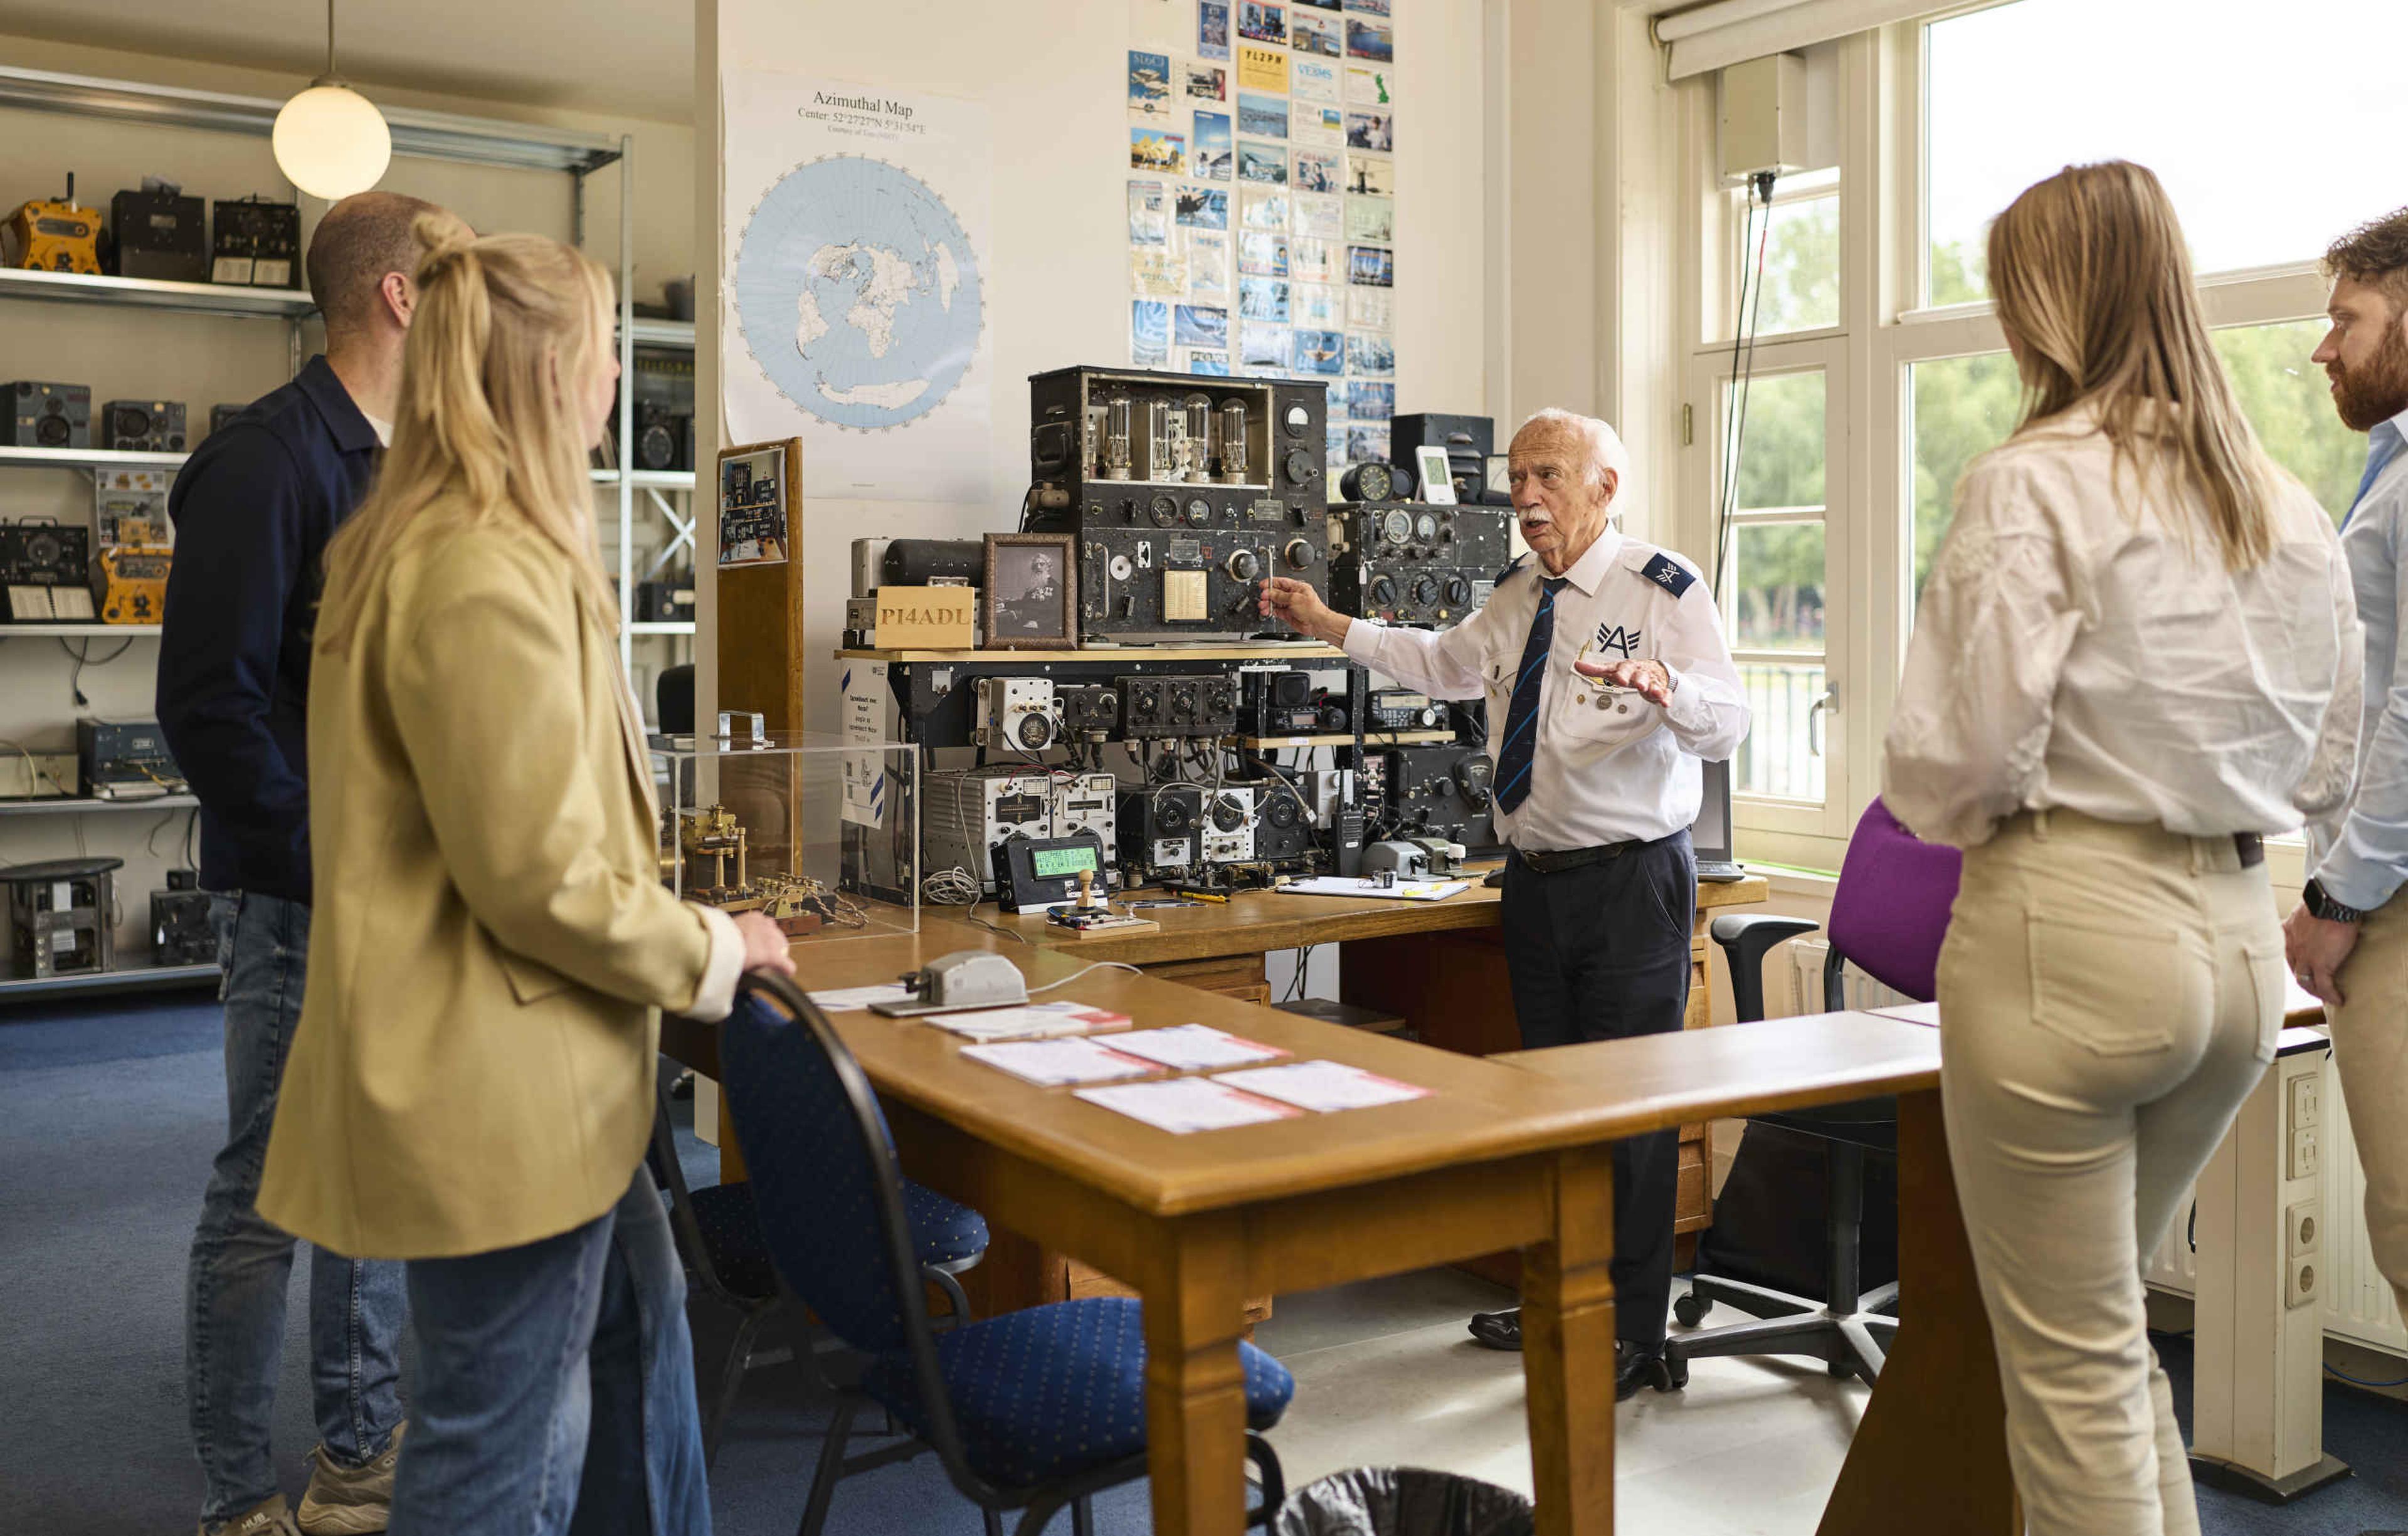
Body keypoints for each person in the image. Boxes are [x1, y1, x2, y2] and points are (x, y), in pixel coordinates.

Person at [253, 216, 796, 1535]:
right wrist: (714, 954)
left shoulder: (432, 542)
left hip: (535, 1079)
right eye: (606, 352)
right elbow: (538, 878)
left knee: (642, 1337)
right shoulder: (479, 571)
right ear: (550, 377)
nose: (618, 380)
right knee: (496, 1454)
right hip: (501, 1093)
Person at [1884, 161, 2361, 1536]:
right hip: (2229, 952)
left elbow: (1960, 761)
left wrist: (1920, 788)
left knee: (2072, 1374)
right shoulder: (2285, 505)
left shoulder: (2031, 483)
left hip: (2065, 933)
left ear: (2048, 310)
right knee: (2110, 1348)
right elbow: (2326, 765)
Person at [1260, 408, 1750, 1396]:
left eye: (1548, 477)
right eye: (1517, 477)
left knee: (1631, 1114)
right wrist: (1327, 625)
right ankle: (1559, 1299)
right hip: (1534, 885)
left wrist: (1666, 688)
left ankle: (1635, 1331)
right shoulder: (1520, 592)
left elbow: (1729, 721)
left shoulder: (1664, 585)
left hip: (1630, 885)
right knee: (1553, 1111)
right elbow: (1442, 662)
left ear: (1605, 487)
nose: (1525, 497)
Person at [161, 189, 453, 1536]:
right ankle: (235, 1500)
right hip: (299, 899)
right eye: (453, 279)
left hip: (393, 891)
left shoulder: (414, 458)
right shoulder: (267, 461)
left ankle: (354, 1457)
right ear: (399, 294)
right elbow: (209, 705)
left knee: (369, 1185)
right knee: (267, 1198)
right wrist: (331, 861)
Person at [2283, 207, 2408, 1384]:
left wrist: (2337, 888)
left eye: (2348, 318)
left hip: (2392, 895)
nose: (2326, 347)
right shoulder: (2396, 467)